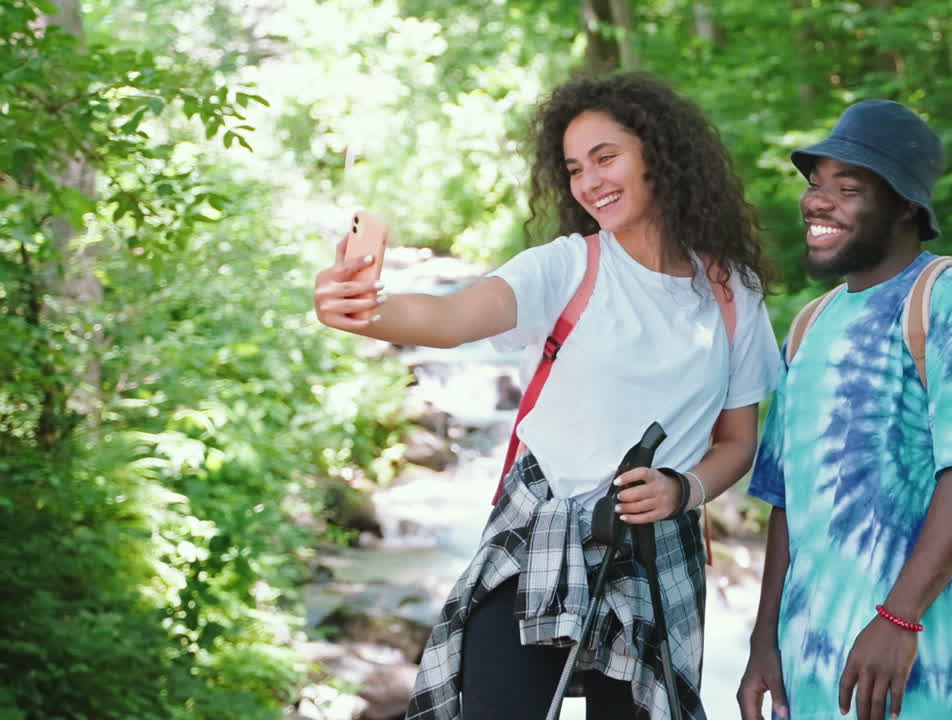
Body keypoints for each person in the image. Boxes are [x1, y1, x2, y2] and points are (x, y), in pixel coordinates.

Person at [314, 72, 781, 720]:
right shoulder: (567, 267)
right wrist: (366, 308)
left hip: (653, 549)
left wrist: (683, 490)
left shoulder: (732, 293)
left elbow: (738, 443)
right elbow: (450, 319)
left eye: (605, 157)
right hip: (539, 528)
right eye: (573, 168)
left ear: (657, 154)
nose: (589, 181)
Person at [737, 100, 952, 720]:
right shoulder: (810, 325)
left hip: (917, 661)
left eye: (848, 187)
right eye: (816, 185)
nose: (818, 201)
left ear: (905, 205)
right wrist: (765, 643)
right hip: (809, 663)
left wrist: (899, 617)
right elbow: (788, 499)